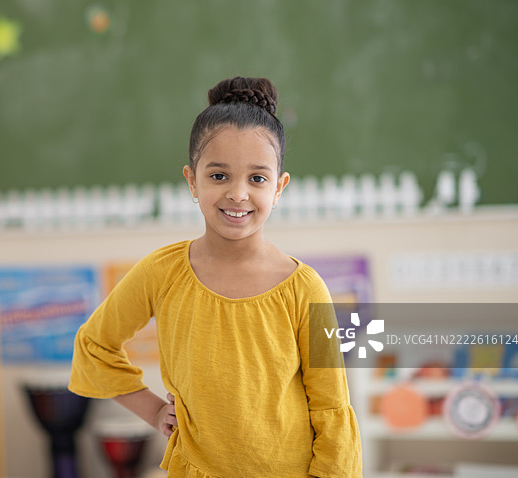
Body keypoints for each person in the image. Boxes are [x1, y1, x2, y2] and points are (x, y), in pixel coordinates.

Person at [69, 76, 362, 477]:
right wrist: (152, 410)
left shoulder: (304, 288)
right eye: (219, 176)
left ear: (279, 188)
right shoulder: (161, 272)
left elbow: (332, 409)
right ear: (192, 180)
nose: (238, 194)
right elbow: (94, 345)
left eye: (257, 178)